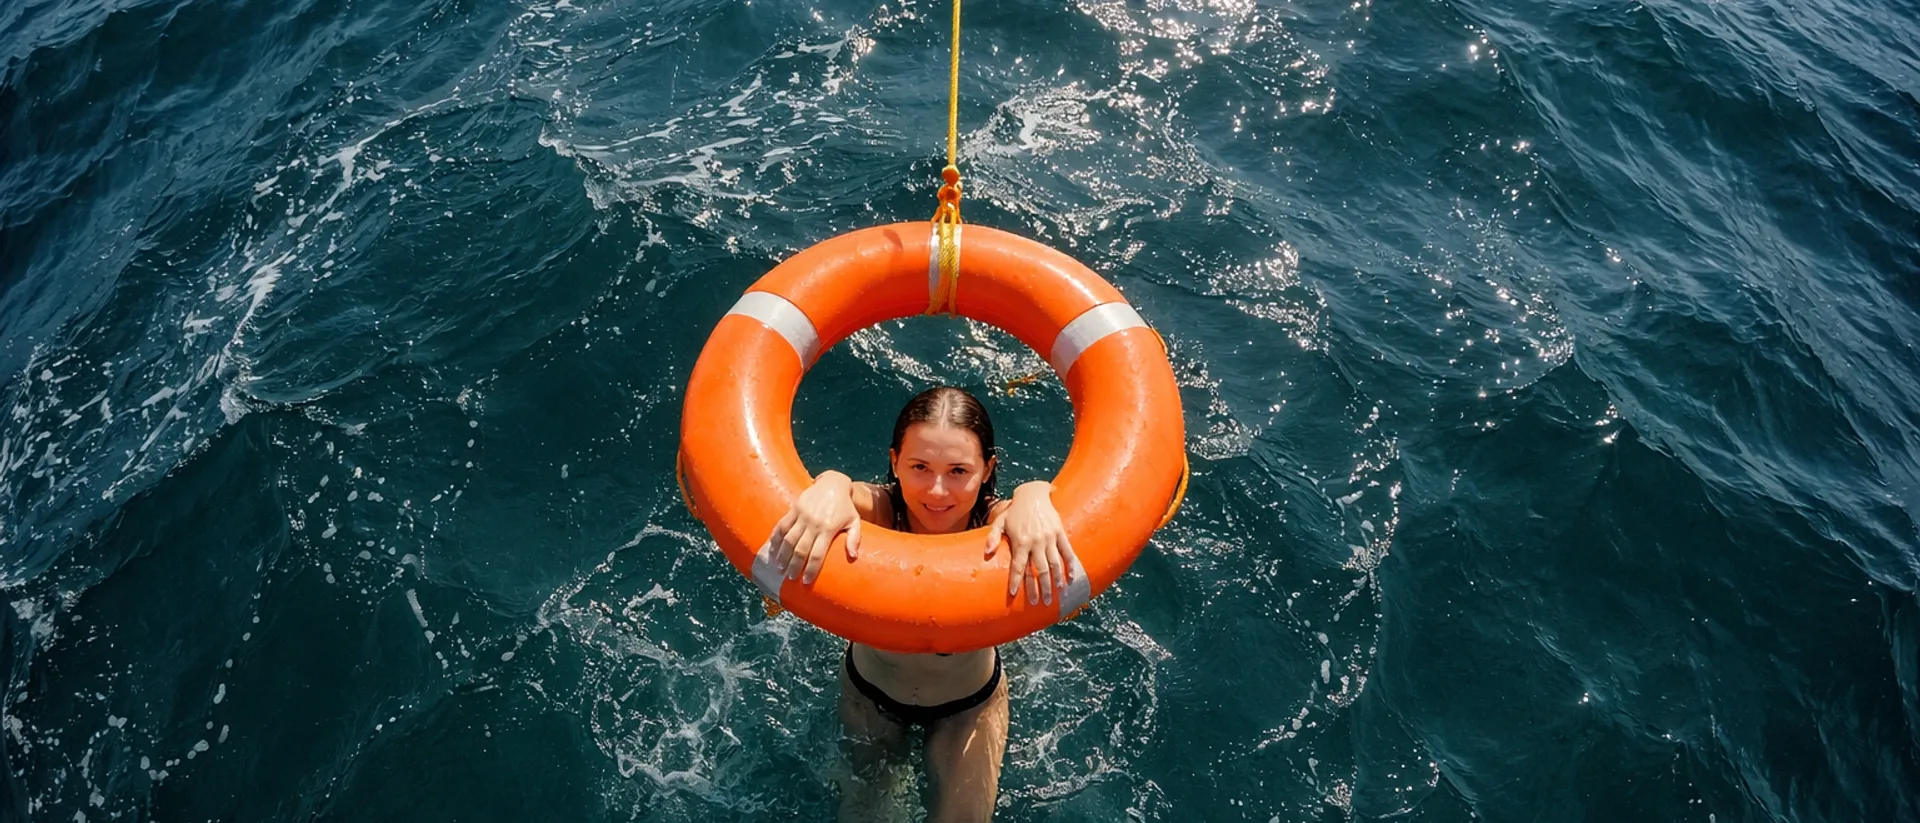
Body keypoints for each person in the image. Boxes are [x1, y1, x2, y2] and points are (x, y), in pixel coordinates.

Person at [764, 385, 1078, 822]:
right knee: (861, 814)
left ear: (988, 470)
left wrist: (1034, 493)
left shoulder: (996, 523)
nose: (936, 491)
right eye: (919, 467)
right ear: (894, 462)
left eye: (958, 471)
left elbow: (1027, 515)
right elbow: (840, 495)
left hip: (968, 708)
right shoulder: (877, 511)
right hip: (869, 697)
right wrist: (831, 483)